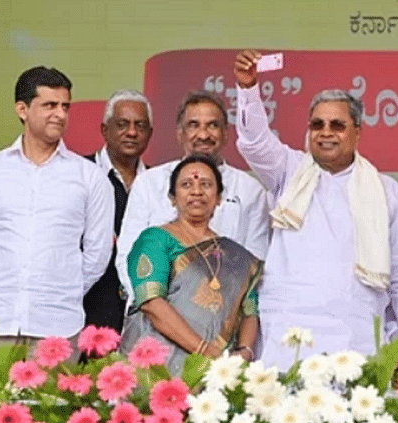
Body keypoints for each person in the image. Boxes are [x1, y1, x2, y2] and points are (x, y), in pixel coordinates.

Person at [234, 50, 398, 373]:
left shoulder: (387, 191)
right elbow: (254, 142)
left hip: (357, 332)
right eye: (317, 124)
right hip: (288, 330)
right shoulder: (288, 172)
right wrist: (248, 88)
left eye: (337, 125)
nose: (325, 132)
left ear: (358, 132)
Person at [0, 66, 114, 354]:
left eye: (65, 106)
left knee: (53, 401)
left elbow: (97, 255)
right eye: (49, 105)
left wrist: (61, 287)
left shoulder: (89, 176)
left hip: (58, 329)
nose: (60, 114)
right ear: (22, 109)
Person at [116, 90, 270, 307]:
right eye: (194, 125)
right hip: (155, 315)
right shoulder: (149, 183)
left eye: (213, 125)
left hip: (223, 317)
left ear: (226, 133)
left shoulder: (250, 190)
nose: (204, 134)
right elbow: (128, 256)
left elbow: (254, 264)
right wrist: (158, 305)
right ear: (179, 134)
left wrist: (211, 311)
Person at [121, 154, 261, 376]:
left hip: (214, 376)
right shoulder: (155, 240)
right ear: (173, 198)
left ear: (218, 198)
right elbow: (151, 303)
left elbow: (249, 311)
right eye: (187, 184)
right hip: (155, 370)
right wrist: (206, 352)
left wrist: (243, 353)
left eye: (205, 184)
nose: (196, 191)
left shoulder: (237, 258)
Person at [83, 89, 153, 333]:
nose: (132, 132)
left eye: (140, 126)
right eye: (122, 124)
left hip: (144, 317)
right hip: (85, 314)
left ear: (150, 134)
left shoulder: (161, 183)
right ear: (105, 130)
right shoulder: (79, 174)